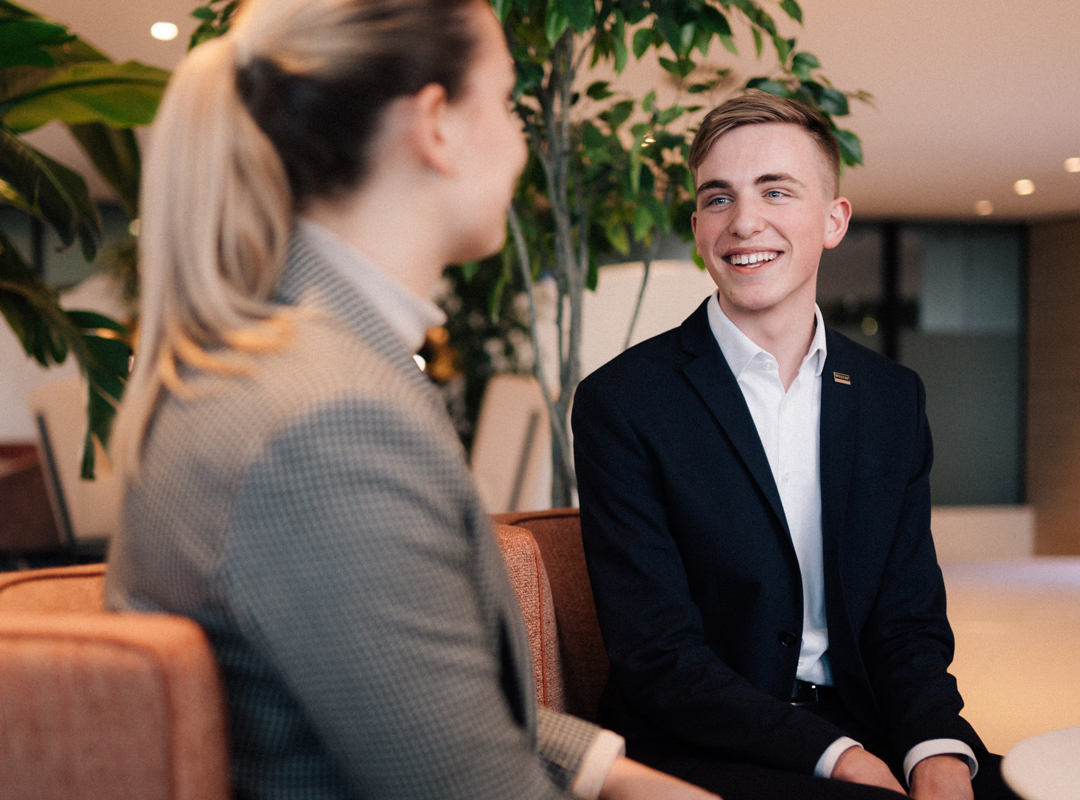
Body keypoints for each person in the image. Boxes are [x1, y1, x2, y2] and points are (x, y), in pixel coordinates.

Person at [103, 1, 721, 799]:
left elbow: (417, 698)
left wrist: (608, 773)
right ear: (436, 123)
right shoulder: (327, 422)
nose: (521, 141)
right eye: (504, 101)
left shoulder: (321, 371)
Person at [572, 91, 1018, 800]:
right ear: (696, 227)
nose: (744, 221)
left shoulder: (890, 397)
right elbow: (659, 656)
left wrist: (935, 749)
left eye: (776, 190)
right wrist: (838, 755)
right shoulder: (623, 403)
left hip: (867, 720)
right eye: (718, 199)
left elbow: (906, 620)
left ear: (833, 220)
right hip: (701, 744)